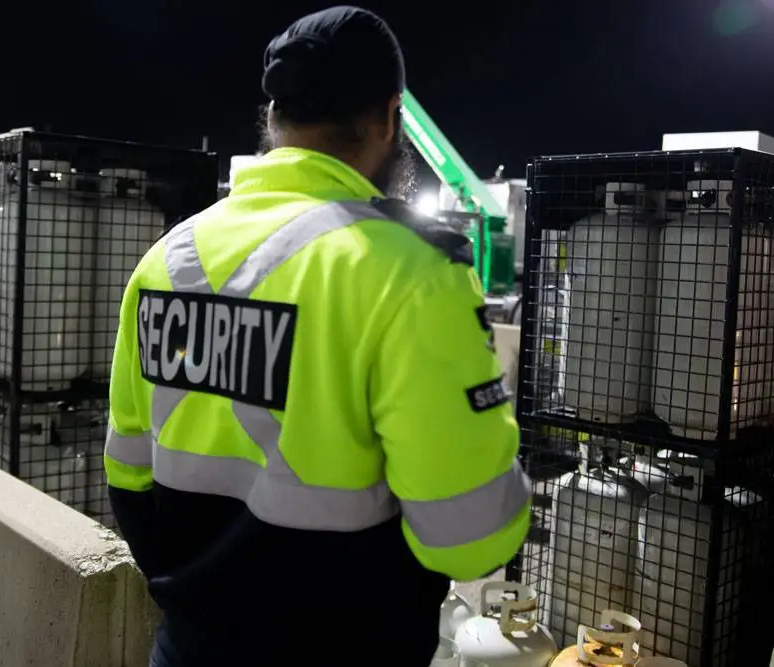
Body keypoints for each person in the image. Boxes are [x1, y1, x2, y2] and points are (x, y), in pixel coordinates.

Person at [104, 6, 532, 667]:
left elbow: (127, 479)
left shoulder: (163, 260)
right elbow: (471, 538)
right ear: (391, 118)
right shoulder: (410, 275)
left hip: (188, 649)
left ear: (274, 119)